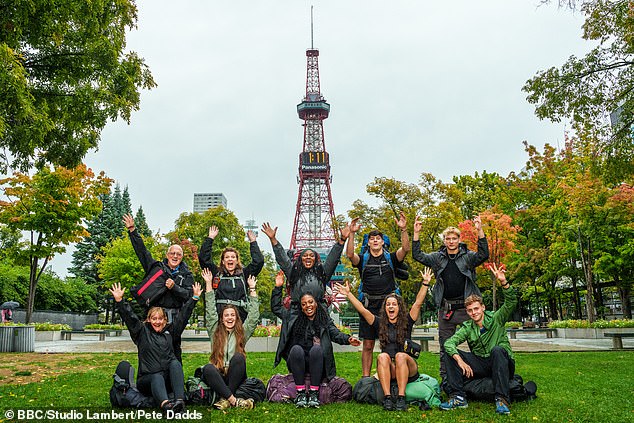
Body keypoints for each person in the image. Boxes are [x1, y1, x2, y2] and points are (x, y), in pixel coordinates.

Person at [336, 268, 431, 411]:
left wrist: (425, 283)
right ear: (385, 308)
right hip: (390, 368)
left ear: (399, 307)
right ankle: (387, 398)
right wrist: (349, 294)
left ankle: (401, 398)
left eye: (394, 304)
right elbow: (363, 310)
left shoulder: (407, 320)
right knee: (382, 356)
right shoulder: (380, 323)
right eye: (388, 304)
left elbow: (417, 303)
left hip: (407, 366)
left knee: (400, 356)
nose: (391, 306)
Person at [411, 215, 489, 380]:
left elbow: (483, 255)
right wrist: (416, 233)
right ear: (444, 240)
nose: (451, 241)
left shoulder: (467, 256)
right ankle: (447, 379)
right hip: (446, 309)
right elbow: (418, 256)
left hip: (466, 309)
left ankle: (479, 376)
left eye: (454, 238)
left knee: (476, 343)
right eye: (448, 238)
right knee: (445, 347)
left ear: (459, 240)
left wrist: (479, 230)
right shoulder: (437, 257)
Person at [109, 281, 202, 413]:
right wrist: (119, 301)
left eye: (160, 319)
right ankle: (166, 406)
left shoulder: (171, 332)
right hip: (148, 380)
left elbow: (183, 316)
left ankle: (180, 402)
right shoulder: (141, 332)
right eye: (154, 319)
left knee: (175, 363)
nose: (157, 322)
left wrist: (194, 298)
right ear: (148, 320)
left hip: (167, 379)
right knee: (156, 376)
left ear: (165, 320)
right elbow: (130, 318)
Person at [272, 270, 361, 408]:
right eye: (304, 304)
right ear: (301, 308)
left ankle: (314, 394)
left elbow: (335, 333)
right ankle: (301, 393)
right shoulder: (293, 318)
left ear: (316, 303)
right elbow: (276, 307)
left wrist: (348, 339)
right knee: (295, 349)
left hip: (318, 361)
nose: (308, 306)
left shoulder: (324, 319)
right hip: (298, 361)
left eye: (310, 302)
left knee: (317, 350)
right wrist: (278, 287)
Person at [440, 263, 517, 415]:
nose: (473, 312)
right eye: (470, 310)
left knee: (497, 350)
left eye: (476, 308)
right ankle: (458, 397)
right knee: (450, 352)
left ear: (483, 307)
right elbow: (449, 342)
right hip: (481, 363)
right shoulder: (468, 327)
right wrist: (459, 360)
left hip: (501, 361)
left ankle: (501, 399)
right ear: (467, 312)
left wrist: (503, 282)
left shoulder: (496, 318)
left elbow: (511, 302)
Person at [345, 212, 410, 377]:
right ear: (368, 242)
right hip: (369, 305)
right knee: (367, 344)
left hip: (389, 305)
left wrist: (403, 230)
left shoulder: (391, 258)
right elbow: (350, 255)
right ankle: (365, 378)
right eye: (372, 238)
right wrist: (351, 234)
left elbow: (405, 249)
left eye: (378, 238)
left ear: (382, 242)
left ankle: (394, 375)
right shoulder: (363, 259)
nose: (375, 240)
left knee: (392, 343)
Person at [123, 214, 195, 362]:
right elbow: (142, 253)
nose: (175, 256)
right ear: (167, 255)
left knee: (174, 351)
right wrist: (132, 231)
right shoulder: (157, 268)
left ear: (182, 257)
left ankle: (175, 382)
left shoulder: (187, 275)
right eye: (172, 253)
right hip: (155, 315)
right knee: (151, 350)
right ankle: (150, 380)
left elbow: (189, 296)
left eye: (179, 254)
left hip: (174, 318)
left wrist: (174, 287)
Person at [199, 268, 259, 410]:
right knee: (207, 368)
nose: (230, 318)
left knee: (239, 357)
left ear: (237, 318)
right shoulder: (214, 330)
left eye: (233, 315)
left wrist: (252, 289)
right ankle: (233, 400)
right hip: (218, 374)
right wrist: (208, 284)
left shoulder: (242, 332)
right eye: (226, 315)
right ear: (222, 318)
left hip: (235, 375)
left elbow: (254, 317)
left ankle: (225, 398)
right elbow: (210, 310)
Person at [261, 222, 350, 309]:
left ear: (316, 260)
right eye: (305, 255)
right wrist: (273, 240)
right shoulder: (293, 274)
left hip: (319, 315)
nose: (308, 257)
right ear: (300, 259)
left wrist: (342, 240)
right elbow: (283, 259)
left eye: (311, 256)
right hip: (297, 315)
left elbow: (332, 259)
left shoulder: (322, 274)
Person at [198, 225, 264, 322]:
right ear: (223, 261)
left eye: (233, 257)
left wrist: (253, 242)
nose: (230, 259)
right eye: (227, 257)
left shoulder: (244, 274)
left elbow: (258, 262)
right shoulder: (216, 273)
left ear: (237, 261)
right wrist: (210, 238)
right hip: (220, 318)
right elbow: (204, 259)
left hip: (240, 319)